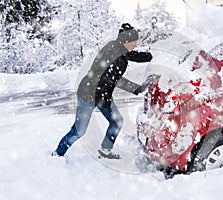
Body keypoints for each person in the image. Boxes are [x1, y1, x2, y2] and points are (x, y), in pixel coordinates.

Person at [52, 23, 158, 159]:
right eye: (134, 42)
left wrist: (150, 56)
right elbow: (115, 79)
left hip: (103, 95)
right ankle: (58, 154)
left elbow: (132, 55)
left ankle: (105, 150)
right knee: (79, 130)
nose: (136, 45)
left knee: (117, 121)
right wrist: (138, 88)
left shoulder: (119, 48)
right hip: (89, 94)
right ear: (126, 41)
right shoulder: (112, 52)